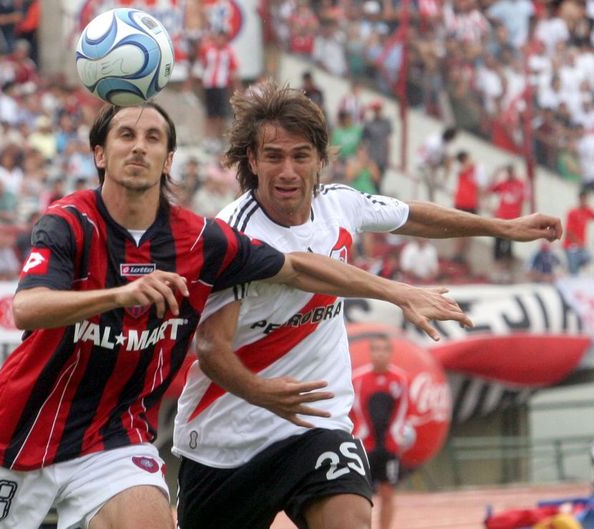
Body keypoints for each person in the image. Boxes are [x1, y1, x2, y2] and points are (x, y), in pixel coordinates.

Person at [0, 102, 472, 529]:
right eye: (126, 136)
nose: (139, 148)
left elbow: (301, 269)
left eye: (153, 139)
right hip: (19, 435)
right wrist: (117, 297)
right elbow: (26, 308)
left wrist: (396, 291)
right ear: (99, 153)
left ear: (170, 159)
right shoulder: (69, 223)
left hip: (116, 439)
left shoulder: (201, 239)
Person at [173, 81, 562, 529]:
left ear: (320, 158)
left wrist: (502, 228)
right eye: (274, 156)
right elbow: (211, 347)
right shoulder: (234, 232)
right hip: (227, 439)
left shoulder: (340, 203)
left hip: (316, 427)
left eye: (300, 155)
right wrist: (261, 392)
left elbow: (411, 215)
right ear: (253, 160)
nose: (287, 170)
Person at [351, 335, 408, 529]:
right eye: (375, 349)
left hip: (389, 446)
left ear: (390, 353)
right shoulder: (358, 379)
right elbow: (353, 411)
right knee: (359, 494)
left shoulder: (399, 380)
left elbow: (402, 411)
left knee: (387, 493)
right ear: (370, 352)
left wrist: (396, 439)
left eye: (384, 349)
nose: (379, 354)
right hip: (364, 445)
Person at [416, 126, 457, 202]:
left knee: (449, 160)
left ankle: (441, 183)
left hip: (427, 160)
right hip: (424, 164)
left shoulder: (438, 137)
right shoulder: (437, 145)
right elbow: (433, 163)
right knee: (431, 186)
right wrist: (434, 175)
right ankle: (441, 183)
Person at [562, 190, 594, 275]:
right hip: (570, 246)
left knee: (588, 258)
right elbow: (568, 232)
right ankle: (570, 267)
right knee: (574, 273)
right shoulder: (572, 212)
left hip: (580, 246)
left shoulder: (587, 211)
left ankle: (569, 267)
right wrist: (579, 242)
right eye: (583, 199)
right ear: (579, 199)